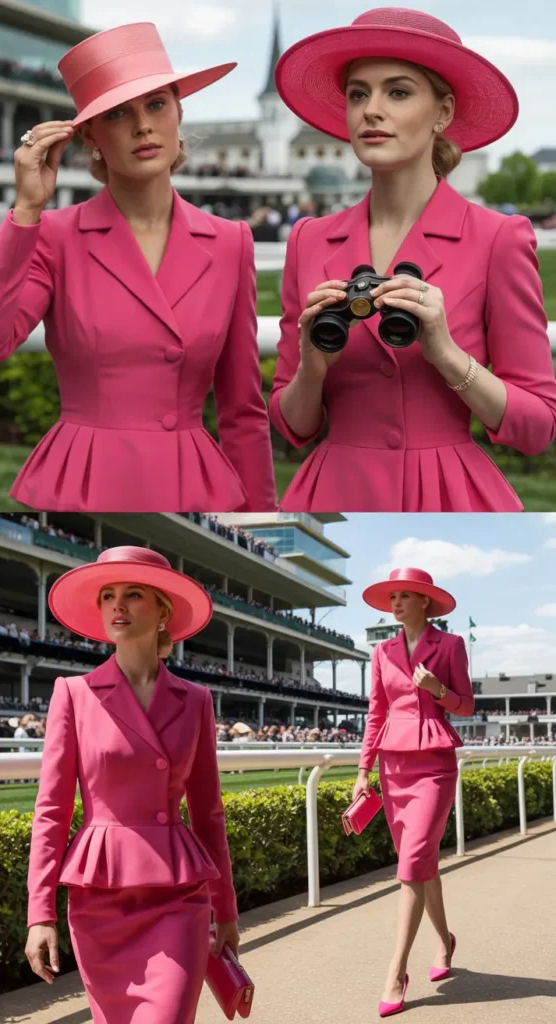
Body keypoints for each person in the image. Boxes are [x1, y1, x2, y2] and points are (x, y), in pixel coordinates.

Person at [0, 22, 276, 514]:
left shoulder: (231, 243)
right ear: (90, 134)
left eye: (156, 104)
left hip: (192, 485)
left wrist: (260, 516)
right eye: (119, 113)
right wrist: (26, 211)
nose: (143, 125)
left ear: (178, 111)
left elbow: (243, 411)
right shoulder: (53, 235)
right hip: (85, 483)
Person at [270, 8, 556, 512]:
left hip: (449, 493)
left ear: (443, 112)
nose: (370, 110)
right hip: (335, 487)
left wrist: (448, 355)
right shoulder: (308, 240)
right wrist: (311, 369)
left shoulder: (499, 238)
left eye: (397, 92)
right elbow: (294, 427)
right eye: (358, 93)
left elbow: (536, 428)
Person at [25, 545, 240, 1024]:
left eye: (134, 594)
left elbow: (208, 813)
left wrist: (226, 910)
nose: (117, 605)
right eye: (108, 596)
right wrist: (39, 914)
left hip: (178, 896)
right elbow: (53, 811)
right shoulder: (72, 694)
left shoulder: (197, 700)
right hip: (100, 900)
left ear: (164, 612)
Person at [352, 567, 474, 1017]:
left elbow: (466, 703)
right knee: (421, 866)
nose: (397, 603)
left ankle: (396, 970)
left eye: (406, 596)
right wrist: (363, 770)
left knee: (412, 864)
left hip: (435, 763)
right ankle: (445, 944)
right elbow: (375, 712)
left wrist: (437, 689)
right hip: (392, 764)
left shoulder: (451, 645)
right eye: (393, 597)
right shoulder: (381, 651)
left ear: (426, 601)